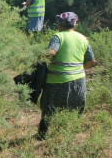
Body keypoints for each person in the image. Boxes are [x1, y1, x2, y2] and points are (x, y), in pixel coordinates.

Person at [37, 12, 96, 140]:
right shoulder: (83, 38)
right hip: (78, 81)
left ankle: (42, 135)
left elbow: (51, 52)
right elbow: (91, 61)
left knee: (48, 108)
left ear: (61, 24)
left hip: (56, 80)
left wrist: (37, 57)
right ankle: (71, 136)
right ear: (75, 23)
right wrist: (79, 69)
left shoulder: (58, 36)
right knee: (75, 108)